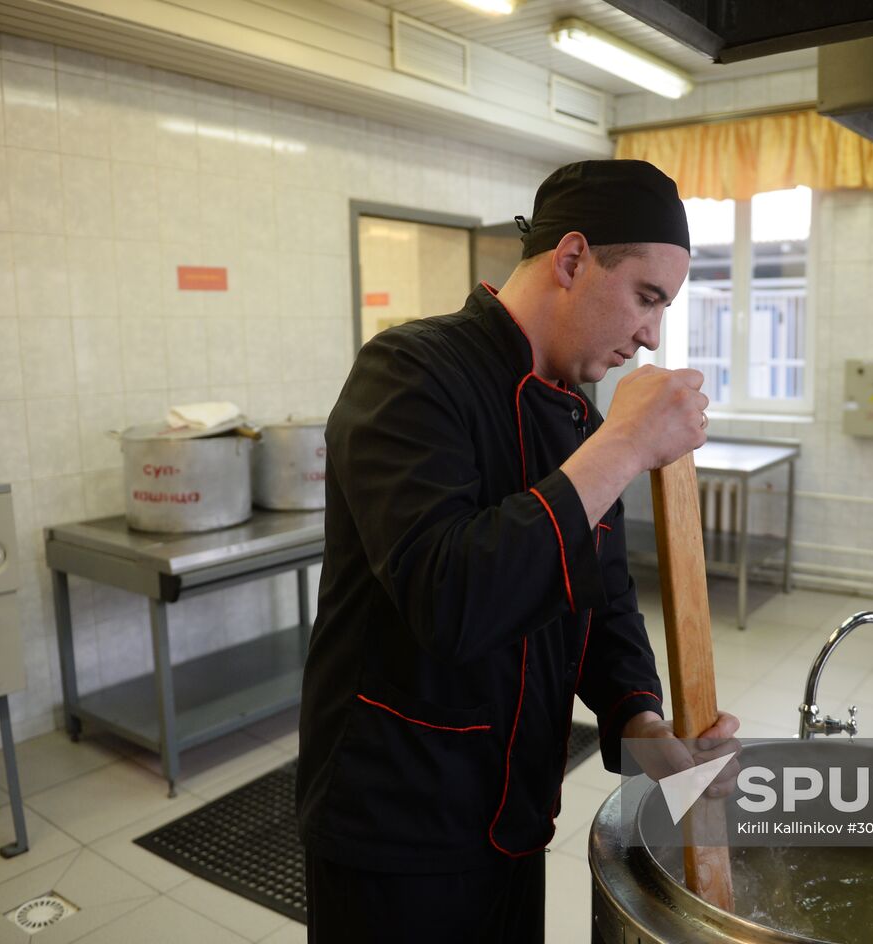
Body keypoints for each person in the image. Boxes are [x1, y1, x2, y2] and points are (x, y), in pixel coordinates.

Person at [297, 159, 740, 943]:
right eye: (646, 298)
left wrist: (640, 718)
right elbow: (452, 599)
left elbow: (602, 597)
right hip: (396, 828)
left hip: (513, 812)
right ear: (571, 259)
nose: (651, 336)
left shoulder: (573, 412)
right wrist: (627, 443)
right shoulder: (409, 375)